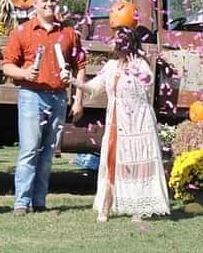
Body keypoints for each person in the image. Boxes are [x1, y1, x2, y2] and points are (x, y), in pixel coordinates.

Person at [72, 27, 171, 223]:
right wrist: (75, 82)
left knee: (136, 162)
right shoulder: (110, 66)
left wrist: (136, 71)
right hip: (116, 122)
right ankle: (105, 207)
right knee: (111, 161)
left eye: (118, 40)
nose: (114, 43)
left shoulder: (140, 64)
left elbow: (148, 81)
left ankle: (138, 207)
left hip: (138, 123)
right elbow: (95, 87)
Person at [1, 0, 85, 216]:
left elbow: (80, 67)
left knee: (48, 153)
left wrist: (78, 100)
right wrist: (24, 74)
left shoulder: (68, 32)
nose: (49, 4)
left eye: (53, 0)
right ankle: (21, 203)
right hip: (31, 95)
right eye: (45, 1)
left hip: (58, 97)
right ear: (35, 5)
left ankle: (39, 201)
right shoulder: (22, 31)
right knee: (29, 150)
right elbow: (7, 65)